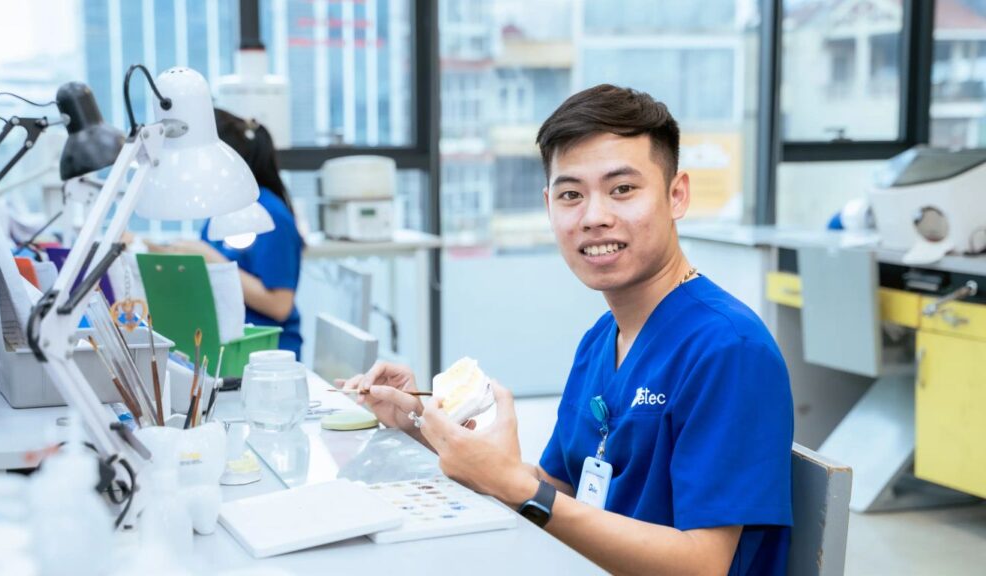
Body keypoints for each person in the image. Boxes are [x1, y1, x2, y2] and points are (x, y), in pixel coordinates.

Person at [339, 85, 793, 575]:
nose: (595, 217)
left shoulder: (728, 349)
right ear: (549, 205)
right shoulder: (603, 338)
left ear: (676, 194)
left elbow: (702, 564)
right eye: (571, 195)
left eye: (622, 189)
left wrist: (516, 487)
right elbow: (559, 491)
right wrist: (421, 422)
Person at [153, 110, 304, 358]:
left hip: (263, 353)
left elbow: (280, 305)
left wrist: (209, 257)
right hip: (222, 344)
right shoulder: (223, 207)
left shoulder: (270, 216)